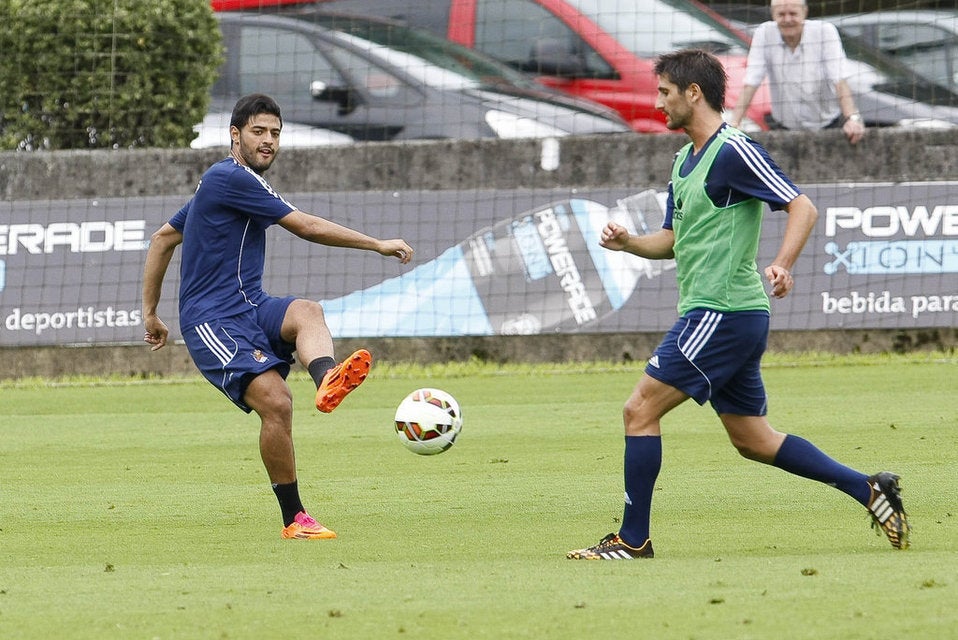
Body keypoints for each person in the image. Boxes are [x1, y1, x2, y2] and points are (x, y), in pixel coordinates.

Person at [567, 49, 908, 560]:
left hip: (721, 313)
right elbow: (672, 239)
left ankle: (632, 540)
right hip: (723, 315)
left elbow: (802, 207)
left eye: (664, 92)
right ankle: (870, 488)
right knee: (754, 440)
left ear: (693, 93)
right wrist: (630, 243)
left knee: (639, 410)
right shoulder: (683, 160)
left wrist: (783, 263)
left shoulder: (734, 150)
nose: (657, 103)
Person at [141, 93, 414, 540]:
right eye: (258, 132)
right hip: (212, 321)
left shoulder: (220, 183)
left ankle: (327, 377)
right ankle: (295, 519)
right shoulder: (230, 177)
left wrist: (150, 313)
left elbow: (162, 238)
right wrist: (377, 244)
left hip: (249, 305)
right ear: (235, 135)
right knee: (277, 402)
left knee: (307, 311)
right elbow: (305, 226)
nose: (268, 141)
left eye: (275, 133)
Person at [728, 0, 865, 145]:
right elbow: (751, 81)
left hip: (828, 123)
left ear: (804, 12)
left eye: (793, 13)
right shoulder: (764, 33)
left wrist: (852, 118)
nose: (787, 19)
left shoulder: (824, 31)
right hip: (783, 128)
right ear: (773, 14)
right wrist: (734, 123)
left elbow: (839, 79)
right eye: (781, 14)